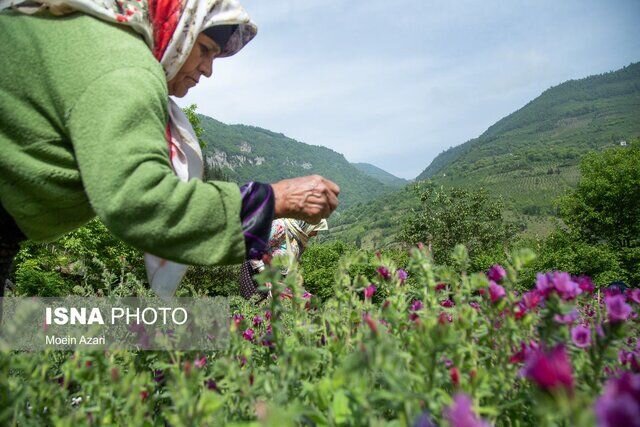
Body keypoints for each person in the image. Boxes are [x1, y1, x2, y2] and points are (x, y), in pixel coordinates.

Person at [0, 0, 340, 308]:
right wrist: (273, 199)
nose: (208, 69)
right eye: (205, 50)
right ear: (176, 29)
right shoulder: (124, 69)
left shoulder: (98, 40)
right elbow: (141, 203)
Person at [238, 218, 328, 300]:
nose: (316, 234)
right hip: (257, 276)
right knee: (256, 311)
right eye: (317, 229)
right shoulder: (280, 227)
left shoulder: (298, 237)